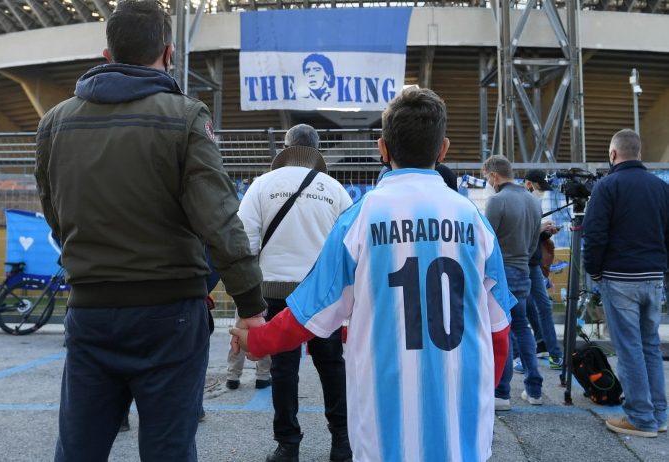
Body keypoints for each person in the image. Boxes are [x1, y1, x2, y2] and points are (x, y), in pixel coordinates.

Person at [34, 2, 266, 460]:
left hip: (91, 310)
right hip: (169, 313)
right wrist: (250, 305)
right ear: (169, 53)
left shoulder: (54, 123)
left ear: (107, 55)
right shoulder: (185, 117)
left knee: (79, 448)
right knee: (169, 449)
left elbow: (55, 214)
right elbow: (219, 220)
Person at [231, 87, 513, 462]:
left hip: (384, 420)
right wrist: (482, 392)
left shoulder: (361, 218)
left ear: (382, 148)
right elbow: (499, 331)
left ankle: (289, 442)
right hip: (461, 424)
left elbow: (308, 312)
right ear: (443, 149)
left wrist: (258, 339)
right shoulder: (476, 222)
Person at [238, 123, 353, 462]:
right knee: (331, 366)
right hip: (322, 296)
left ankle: (287, 444)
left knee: (283, 369)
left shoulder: (262, 184)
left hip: (275, 292)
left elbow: (245, 243)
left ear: (286, 147)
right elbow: (349, 245)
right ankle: (342, 441)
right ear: (316, 149)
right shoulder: (334, 188)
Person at [582, 128, 668, 438]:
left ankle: (640, 417)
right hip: (653, 277)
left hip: (620, 278)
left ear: (613, 154)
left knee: (630, 348)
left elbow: (594, 234)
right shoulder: (661, 188)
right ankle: (658, 414)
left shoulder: (607, 186)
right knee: (650, 347)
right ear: (640, 153)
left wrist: (594, 272)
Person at [482, 155, 544, 410]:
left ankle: (502, 392)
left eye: (487, 179)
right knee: (522, 327)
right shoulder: (533, 201)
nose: (488, 183)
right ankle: (535, 388)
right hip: (523, 270)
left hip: (501, 273)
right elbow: (533, 244)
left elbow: (486, 242)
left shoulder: (497, 201)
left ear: (494, 176)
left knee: (502, 330)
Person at [521, 169, 563, 370]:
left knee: (543, 306)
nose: (541, 192)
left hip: (533, 263)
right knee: (525, 308)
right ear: (529, 184)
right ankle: (531, 350)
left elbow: (533, 236)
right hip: (520, 263)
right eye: (539, 187)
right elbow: (518, 233)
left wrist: (546, 233)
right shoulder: (518, 202)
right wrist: (540, 229)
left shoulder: (534, 204)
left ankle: (554, 353)